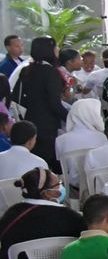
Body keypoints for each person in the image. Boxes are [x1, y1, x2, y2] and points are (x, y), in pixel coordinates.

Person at [15, 37, 67, 168]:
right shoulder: (50, 72)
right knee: (47, 163)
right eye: (55, 47)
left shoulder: (27, 70)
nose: (58, 50)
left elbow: (16, 97)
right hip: (47, 126)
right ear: (49, 50)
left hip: (29, 122)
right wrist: (71, 117)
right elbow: (55, 104)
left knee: (34, 164)